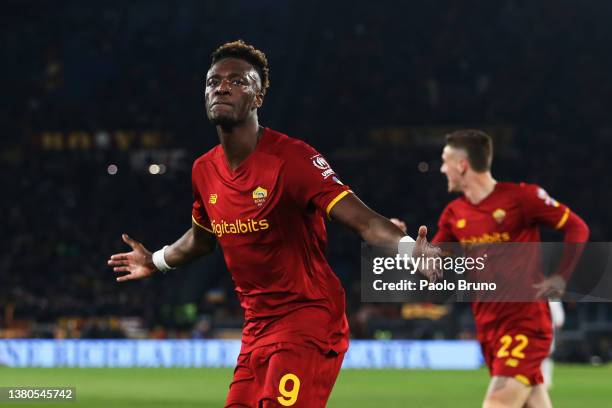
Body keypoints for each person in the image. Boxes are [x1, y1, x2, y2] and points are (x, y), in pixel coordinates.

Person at [108, 40, 437, 407]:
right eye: (213, 81)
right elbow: (201, 239)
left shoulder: (293, 159)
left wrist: (410, 249)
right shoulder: (204, 170)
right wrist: (154, 260)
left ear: (259, 97)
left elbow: (365, 222)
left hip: (308, 320)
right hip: (256, 330)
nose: (221, 86)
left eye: (238, 81)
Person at [433, 129, 589, 408]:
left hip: (526, 325)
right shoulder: (454, 214)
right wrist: (401, 242)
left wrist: (562, 275)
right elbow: (429, 263)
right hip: (489, 327)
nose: (442, 168)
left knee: (497, 403)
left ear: (462, 165)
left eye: (445, 161)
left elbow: (577, 227)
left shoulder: (522, 198)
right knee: (534, 403)